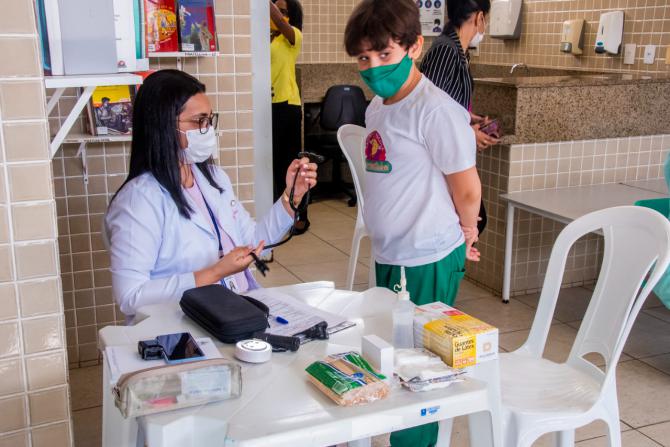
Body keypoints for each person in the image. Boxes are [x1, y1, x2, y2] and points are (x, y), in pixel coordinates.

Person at [344, 0, 481, 444]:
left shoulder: (436, 111)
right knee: (394, 357)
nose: (373, 66)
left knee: (420, 371)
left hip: (426, 257)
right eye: (364, 58)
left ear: (414, 47)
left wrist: (467, 232)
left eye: (384, 54)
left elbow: (466, 188)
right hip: (392, 254)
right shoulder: (379, 107)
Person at [104, 70, 317, 318]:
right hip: (180, 323)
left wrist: (291, 197)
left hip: (234, 309)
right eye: (199, 121)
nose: (207, 130)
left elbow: (257, 244)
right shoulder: (138, 200)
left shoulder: (214, 179)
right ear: (162, 124)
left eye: (209, 120)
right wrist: (215, 273)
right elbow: (131, 296)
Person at [421, 0, 497, 235]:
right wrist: (468, 131)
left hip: (453, 146)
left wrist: (468, 118)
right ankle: (451, 268)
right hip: (440, 155)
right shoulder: (445, 49)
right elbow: (428, 106)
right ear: (479, 18)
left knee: (471, 222)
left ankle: (454, 266)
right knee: (470, 221)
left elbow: (448, 102)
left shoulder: (459, 52)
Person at [270, 0, 310, 233]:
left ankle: (300, 215)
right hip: (267, 106)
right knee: (273, 166)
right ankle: (279, 215)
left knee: (291, 165)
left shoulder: (292, 37)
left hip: (287, 106)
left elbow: (279, 21)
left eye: (284, 11)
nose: (279, 15)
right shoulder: (265, 37)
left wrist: (267, 6)